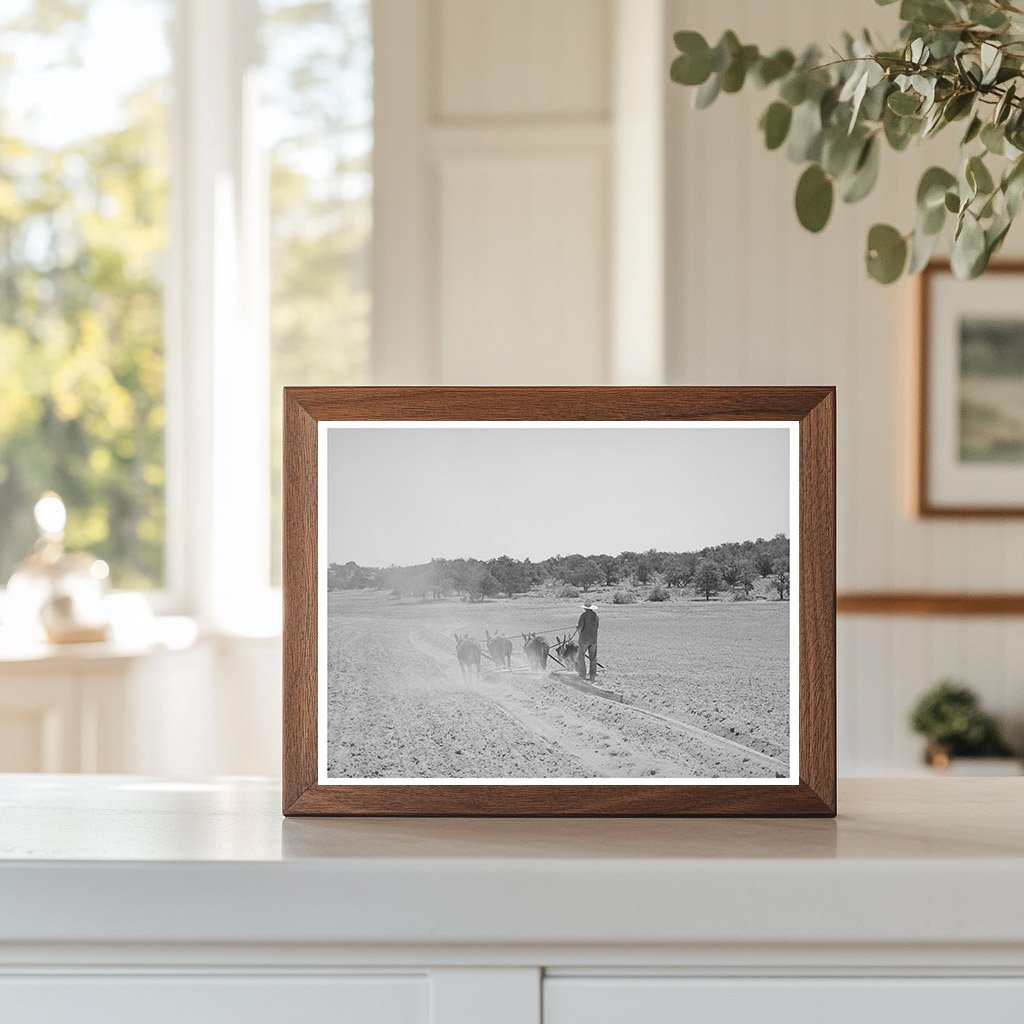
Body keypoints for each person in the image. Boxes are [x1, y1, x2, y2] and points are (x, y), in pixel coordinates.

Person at [577, 598, 599, 681]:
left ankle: (582, 674)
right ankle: (592, 676)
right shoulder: (596, 616)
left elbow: (580, 628)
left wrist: (580, 634)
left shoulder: (583, 616)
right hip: (594, 640)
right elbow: (597, 627)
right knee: (593, 658)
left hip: (584, 640)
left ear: (585, 608)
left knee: (581, 656)